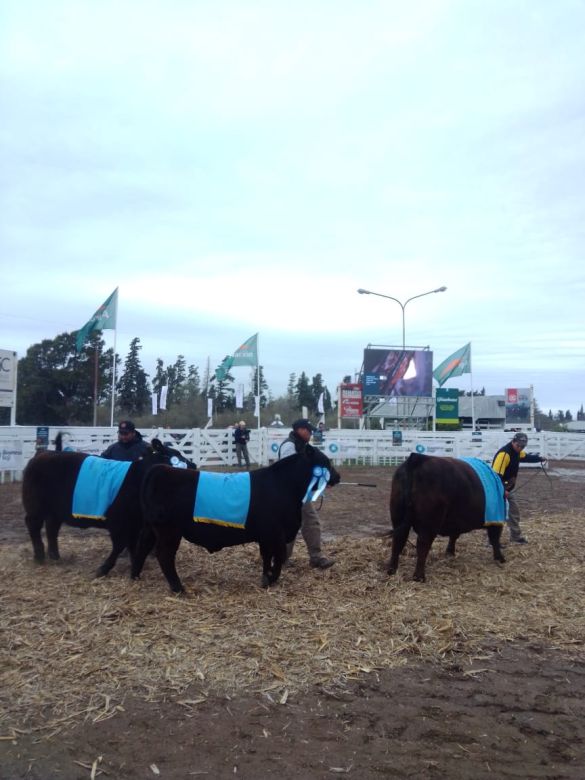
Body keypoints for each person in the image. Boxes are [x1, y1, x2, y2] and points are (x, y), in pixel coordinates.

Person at [278, 418, 335, 569]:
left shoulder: (301, 446)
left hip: (298, 493)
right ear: (301, 430)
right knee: (304, 523)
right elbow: (292, 471)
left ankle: (285, 558)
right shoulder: (289, 447)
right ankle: (307, 557)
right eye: (309, 430)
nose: (310, 433)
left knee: (306, 523)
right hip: (291, 494)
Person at [491, 432, 545, 544]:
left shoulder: (517, 452)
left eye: (522, 446)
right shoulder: (504, 454)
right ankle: (493, 541)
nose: (520, 448)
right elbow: (496, 476)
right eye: (518, 445)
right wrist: (502, 490)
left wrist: (540, 458)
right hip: (499, 489)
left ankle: (515, 537)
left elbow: (526, 457)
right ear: (513, 441)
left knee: (514, 511)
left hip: (508, 489)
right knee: (498, 515)